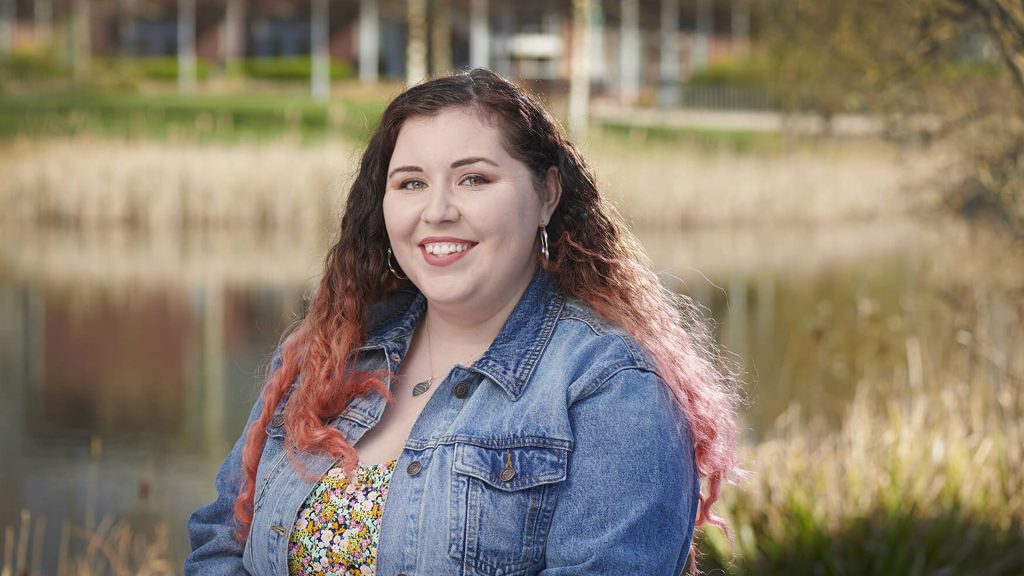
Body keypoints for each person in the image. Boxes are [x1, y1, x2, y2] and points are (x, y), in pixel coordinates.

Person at [186, 68, 739, 575]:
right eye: (411, 183)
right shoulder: (329, 352)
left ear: (546, 194)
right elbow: (220, 540)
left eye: (474, 179)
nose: (438, 210)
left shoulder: (611, 388)